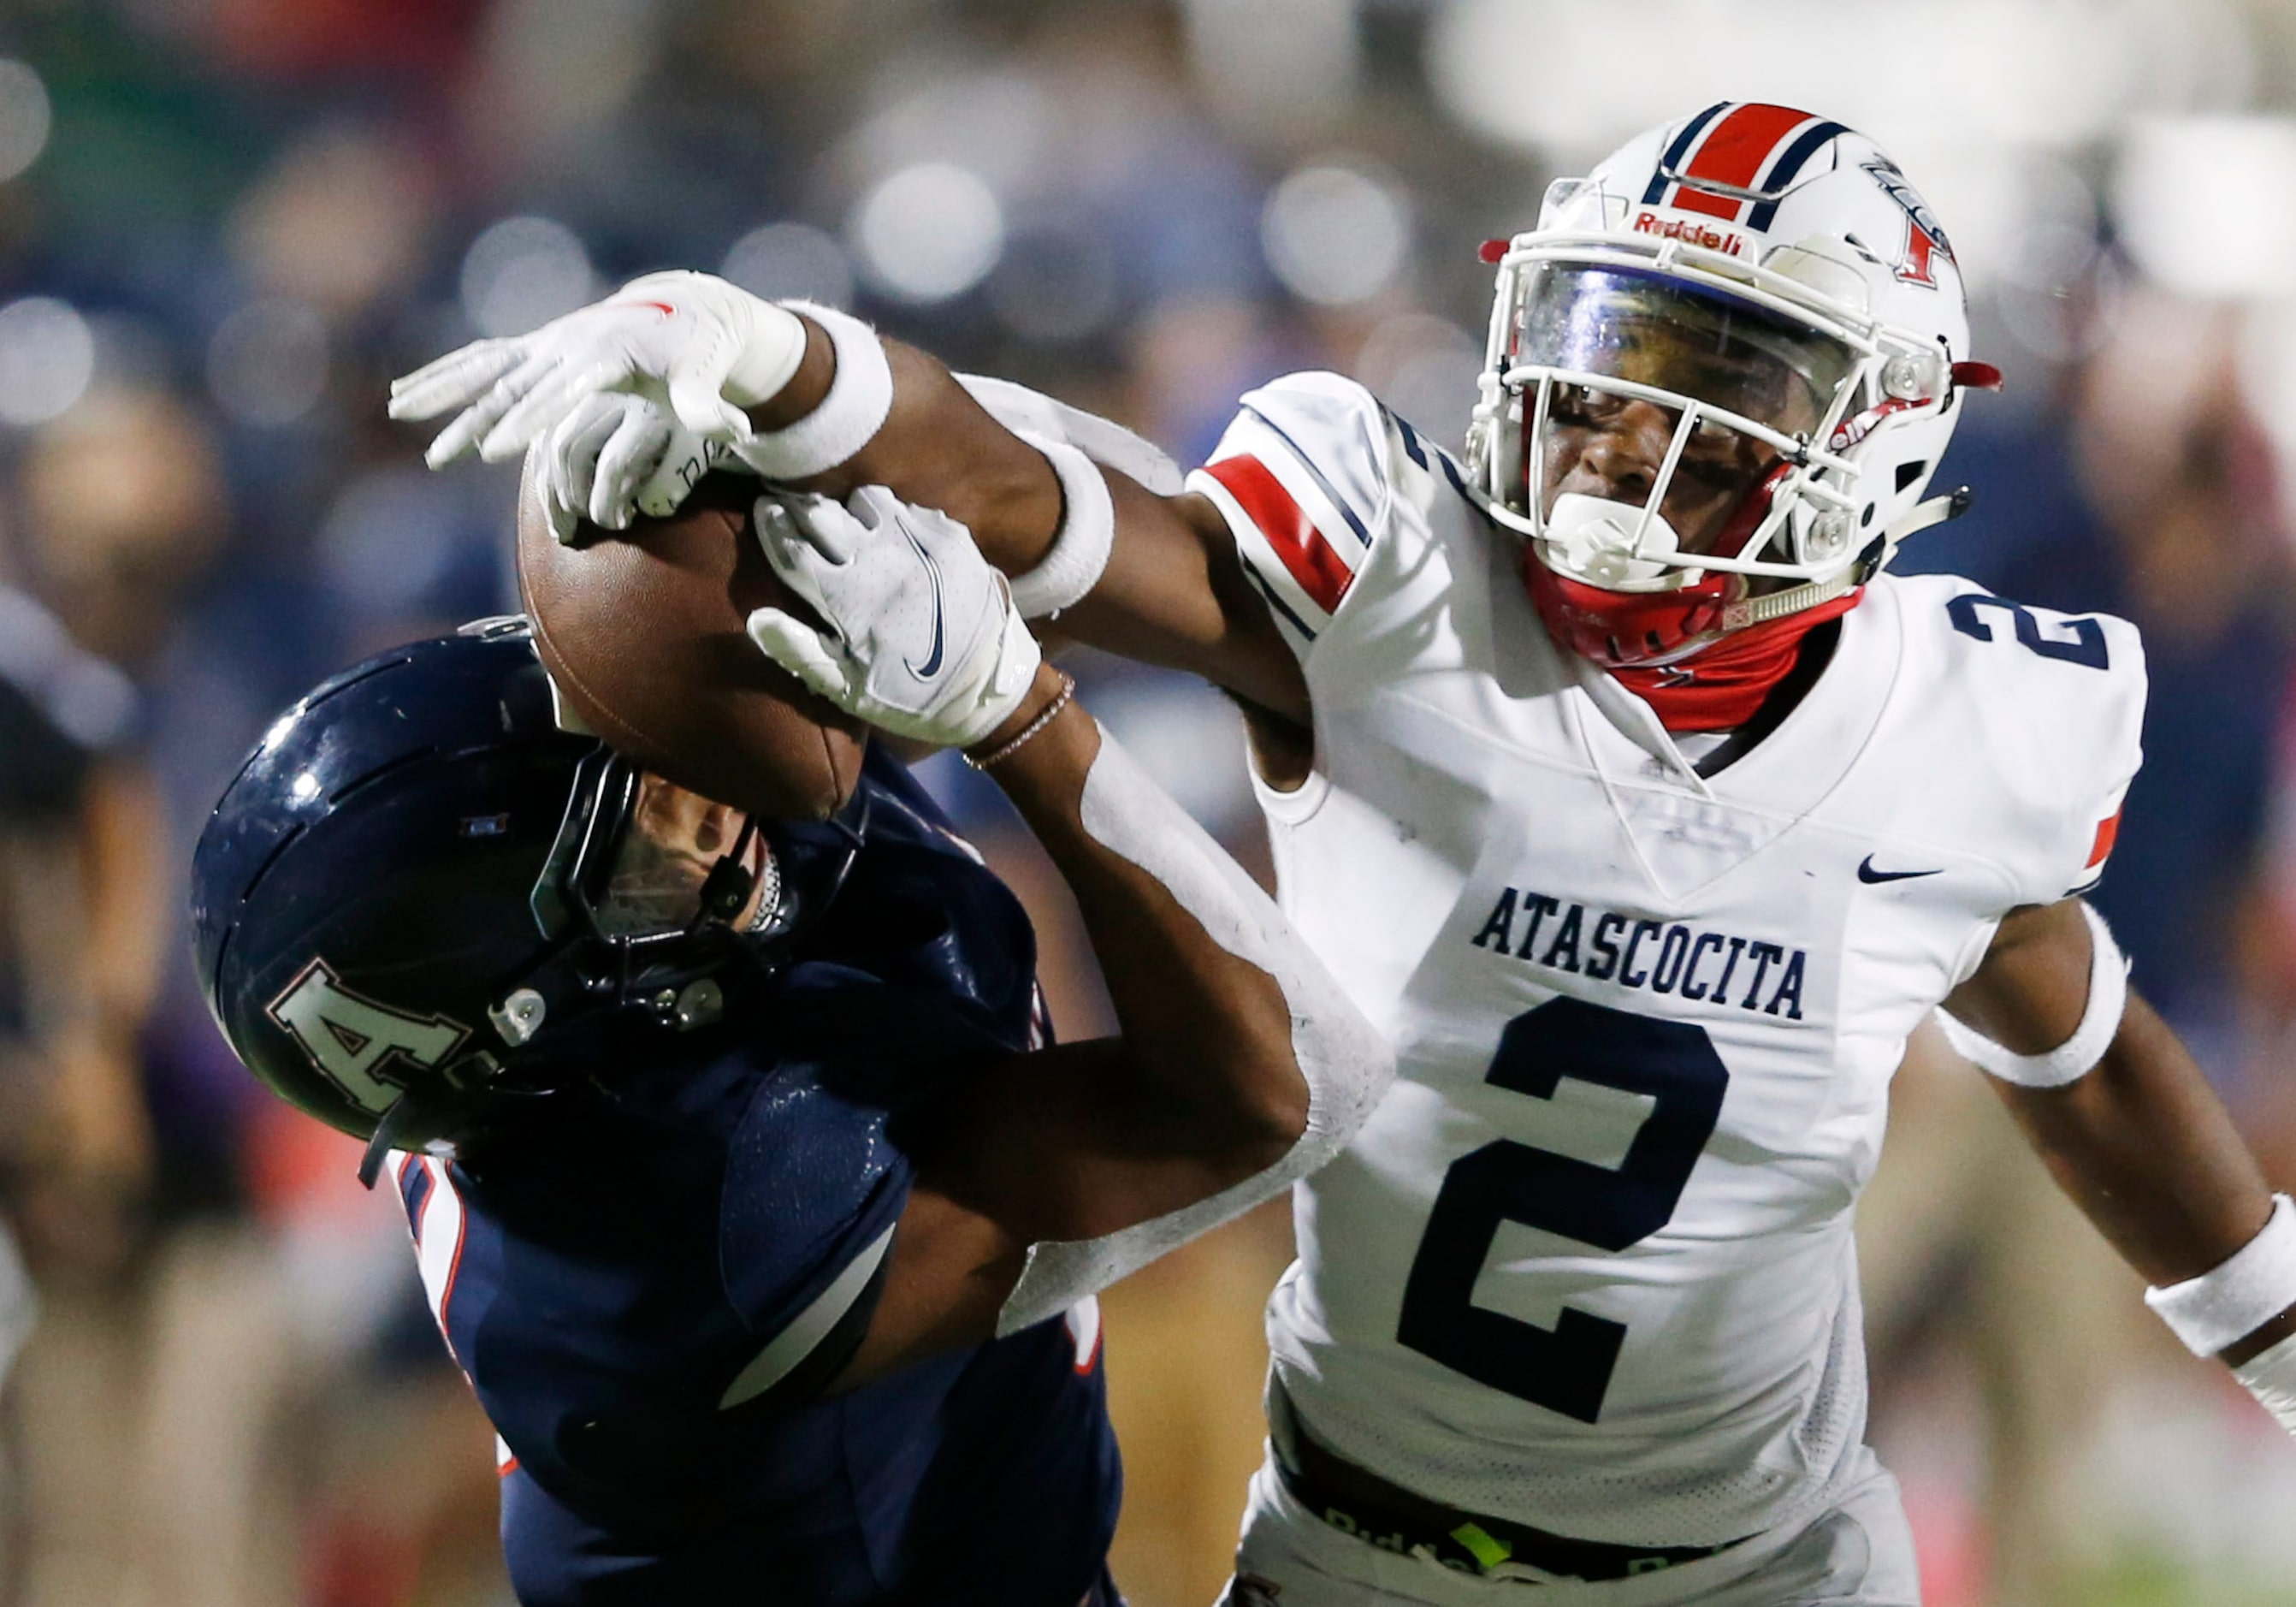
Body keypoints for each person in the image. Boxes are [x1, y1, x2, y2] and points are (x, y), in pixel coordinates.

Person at [393, 104, 2296, 1605]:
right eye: (1605, 368)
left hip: (1763, 1575)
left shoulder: (1972, 728)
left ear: (1876, 439)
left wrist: (2266, 1321)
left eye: (1720, 401)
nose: (1623, 451)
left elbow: (2069, 1021)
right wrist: (791, 367)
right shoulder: (1395, 583)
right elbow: (1035, 503)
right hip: (1355, 1554)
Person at [190, 510, 1392, 1605]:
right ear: (527, 1018)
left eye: (635, 759)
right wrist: (1017, 713)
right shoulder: (716, 1229)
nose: (700, 799)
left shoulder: (591, 1031)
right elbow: (1278, 1089)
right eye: (630, 840)